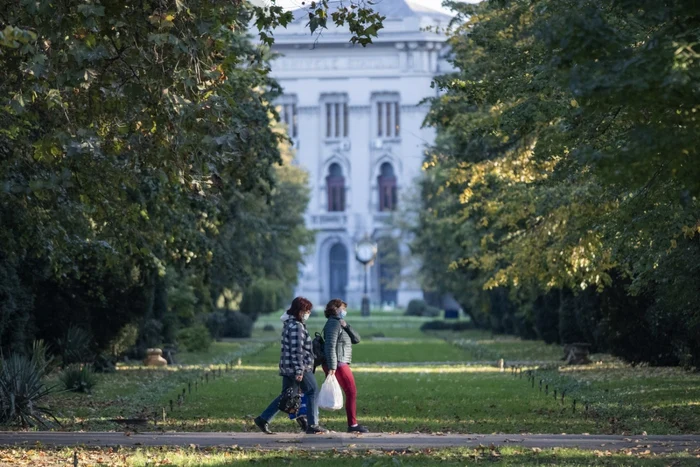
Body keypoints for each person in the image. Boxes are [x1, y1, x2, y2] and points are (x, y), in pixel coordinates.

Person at [254, 297, 327, 434]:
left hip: (290, 367)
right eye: (307, 310)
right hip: (299, 367)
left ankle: (263, 419)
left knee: (286, 396)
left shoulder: (291, 324)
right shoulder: (296, 327)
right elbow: (296, 351)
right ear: (300, 311)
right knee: (312, 391)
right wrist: (299, 370)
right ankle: (312, 425)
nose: (308, 313)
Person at [322, 298, 369, 433]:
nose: (345, 311)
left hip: (340, 362)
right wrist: (332, 366)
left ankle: (352, 424)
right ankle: (352, 425)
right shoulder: (333, 324)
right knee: (351, 391)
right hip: (338, 363)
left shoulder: (339, 323)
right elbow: (330, 346)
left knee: (350, 392)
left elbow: (356, 339)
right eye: (343, 308)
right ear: (336, 309)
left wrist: (346, 326)